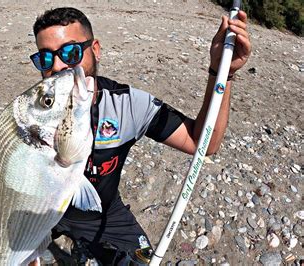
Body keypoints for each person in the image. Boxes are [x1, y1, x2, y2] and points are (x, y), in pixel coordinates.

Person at [29, 6, 251, 265]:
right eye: (45, 59)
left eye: (71, 52)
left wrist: (222, 72)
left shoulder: (129, 106)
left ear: (96, 49)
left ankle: (83, 244)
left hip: (105, 215)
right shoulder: (30, 114)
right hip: (40, 211)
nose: (58, 66)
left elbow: (203, 143)